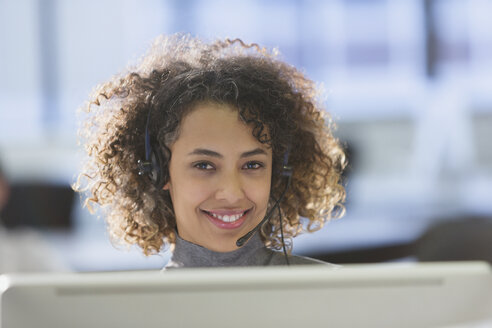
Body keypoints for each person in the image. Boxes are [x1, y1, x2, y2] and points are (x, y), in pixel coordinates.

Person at [75, 34, 346, 268]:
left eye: (252, 165)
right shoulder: (131, 313)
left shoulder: (336, 295)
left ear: (279, 171)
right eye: (204, 165)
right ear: (158, 171)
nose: (231, 193)